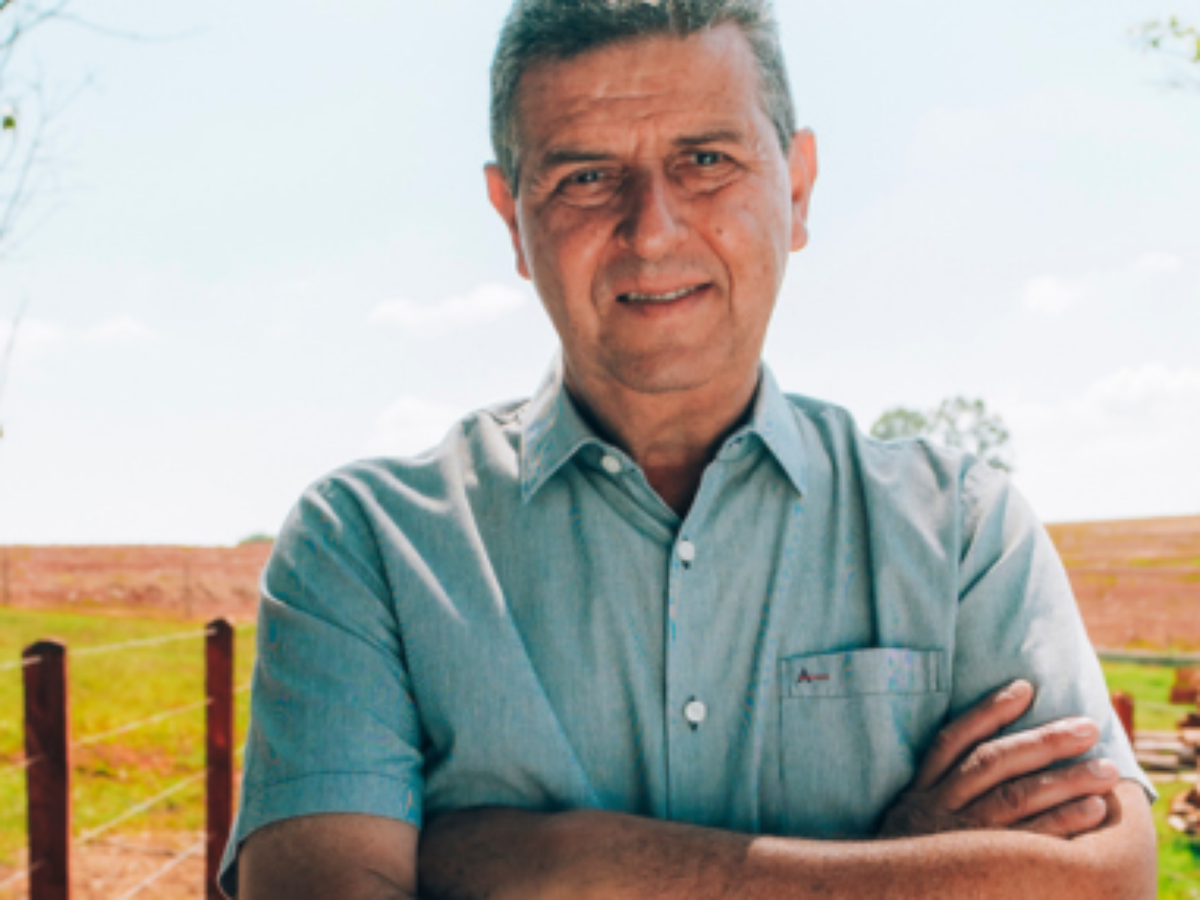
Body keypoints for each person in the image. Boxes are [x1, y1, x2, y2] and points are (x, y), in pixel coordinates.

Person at [223, 1, 1157, 897]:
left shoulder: (963, 533)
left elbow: (1108, 885)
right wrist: (903, 871)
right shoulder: (368, 547)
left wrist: (574, 865)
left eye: (706, 161)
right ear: (512, 219)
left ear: (796, 187)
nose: (653, 230)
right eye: (586, 177)